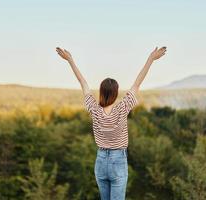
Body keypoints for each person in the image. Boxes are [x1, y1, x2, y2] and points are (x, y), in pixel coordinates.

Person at [56, 46, 167, 200]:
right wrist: (151, 59)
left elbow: (83, 83)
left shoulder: (94, 109)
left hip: (100, 161)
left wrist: (70, 60)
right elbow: (137, 84)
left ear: (101, 92)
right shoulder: (122, 108)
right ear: (115, 94)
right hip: (118, 161)